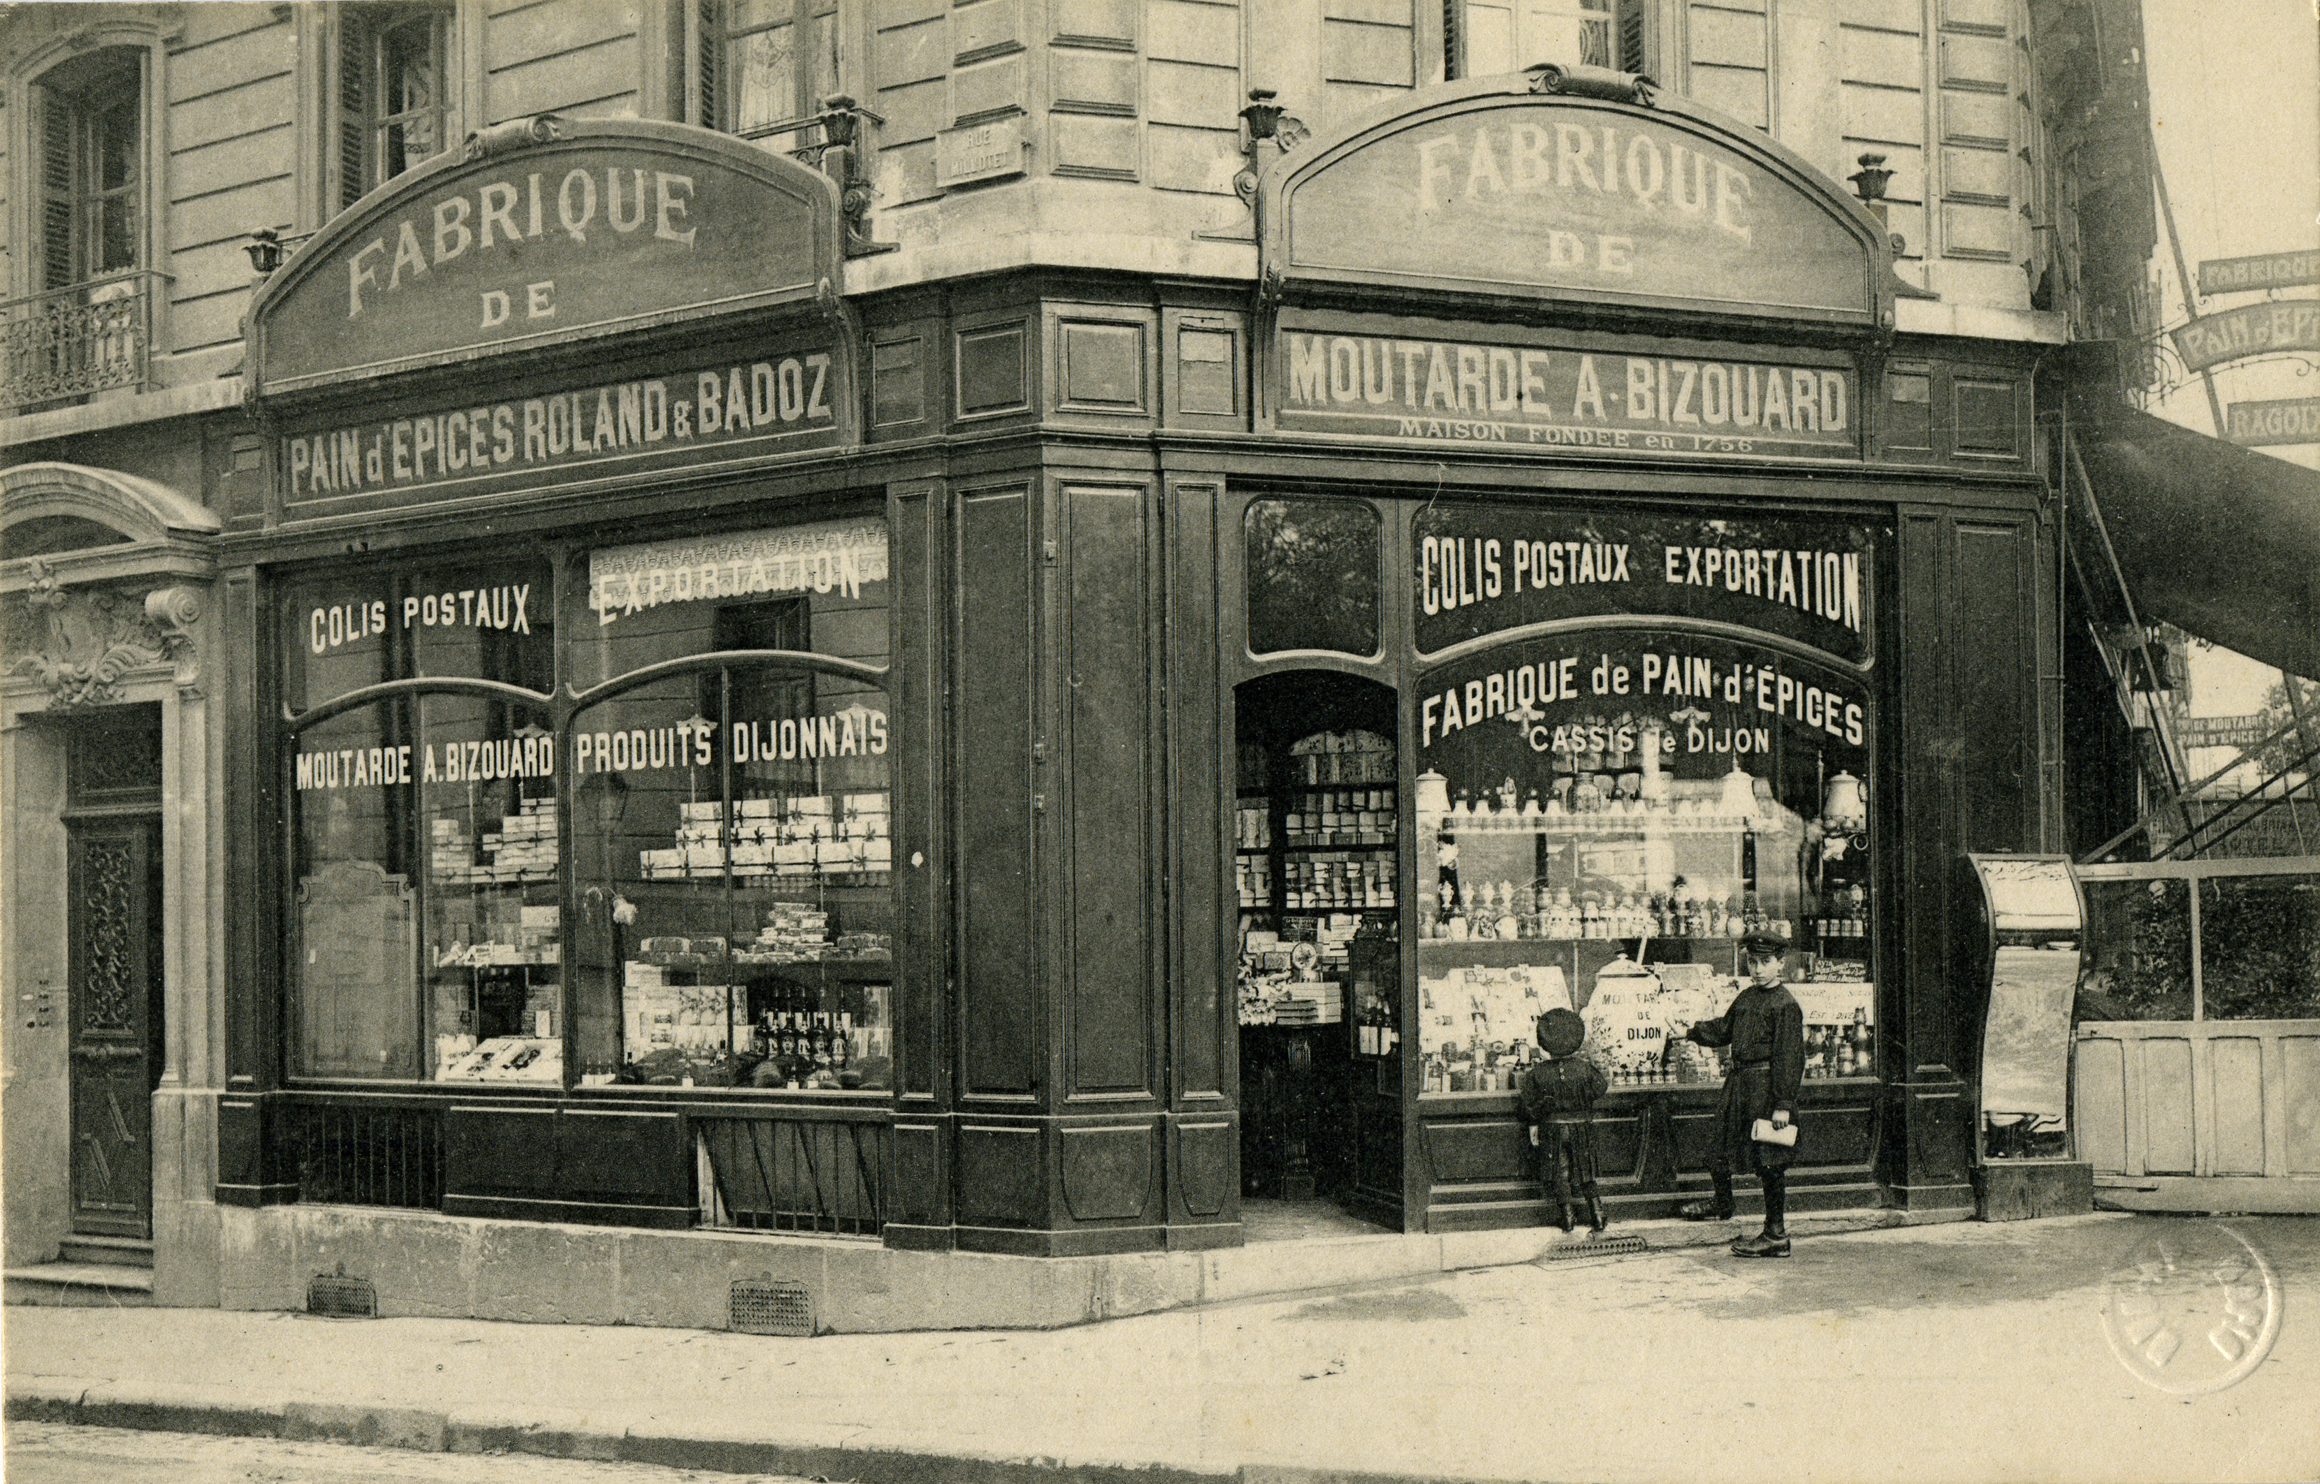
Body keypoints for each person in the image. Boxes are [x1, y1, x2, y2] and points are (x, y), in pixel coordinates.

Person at [1676, 929, 1805, 1258]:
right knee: (1717, 1146)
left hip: (1766, 1090)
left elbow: (1790, 1058)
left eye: (1765, 962)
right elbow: (1723, 1028)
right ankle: (1722, 1202)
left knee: (1769, 1161)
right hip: (1739, 1086)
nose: (1758, 969)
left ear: (1781, 963)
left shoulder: (1786, 1005)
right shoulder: (1747, 997)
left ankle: (1776, 1233)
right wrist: (1690, 1030)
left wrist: (1783, 1105)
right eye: (1752, 961)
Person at [1517, 1007, 1608, 1233]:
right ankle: (1597, 1214)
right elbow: (1600, 1088)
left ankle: (1567, 1218)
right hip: (1581, 1127)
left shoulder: (1537, 1073)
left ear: (1545, 1042)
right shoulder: (1584, 1068)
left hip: (1553, 1129)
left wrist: (1534, 1124)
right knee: (1585, 1171)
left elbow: (1529, 1103)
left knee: (1560, 1173)